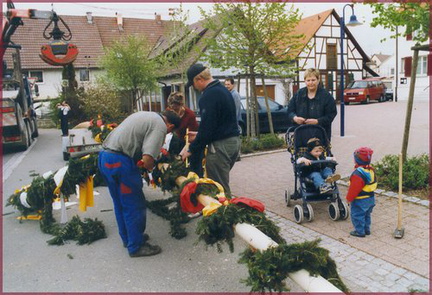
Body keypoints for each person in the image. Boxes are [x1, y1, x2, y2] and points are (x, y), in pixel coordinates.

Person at [98, 110, 180, 257]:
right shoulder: (160, 125)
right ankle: (136, 246)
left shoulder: (146, 115)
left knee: (120, 203)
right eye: (170, 132)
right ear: (170, 125)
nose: (167, 134)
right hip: (120, 162)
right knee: (134, 204)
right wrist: (152, 167)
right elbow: (148, 159)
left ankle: (128, 238)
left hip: (105, 157)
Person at [180, 63, 241, 195]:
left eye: (193, 84)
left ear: (199, 79)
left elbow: (207, 130)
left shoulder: (208, 96)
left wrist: (191, 148)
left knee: (219, 189)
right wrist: (198, 134)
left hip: (221, 146)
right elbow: (217, 123)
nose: (194, 88)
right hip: (233, 142)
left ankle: (224, 213)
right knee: (220, 184)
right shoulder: (223, 90)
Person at [287, 68, 337, 139]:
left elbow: (331, 114)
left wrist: (317, 121)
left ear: (318, 80)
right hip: (301, 136)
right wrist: (294, 118)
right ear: (305, 81)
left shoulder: (326, 96)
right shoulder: (298, 94)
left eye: (313, 80)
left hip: (321, 136)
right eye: (308, 80)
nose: (311, 83)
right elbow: (290, 110)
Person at [166, 91, 203, 175]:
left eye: (175, 109)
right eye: (171, 109)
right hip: (175, 142)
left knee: (193, 166)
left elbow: (192, 138)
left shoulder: (190, 115)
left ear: (181, 106)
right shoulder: (169, 112)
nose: (173, 111)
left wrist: (182, 154)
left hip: (188, 142)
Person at [346, 147, 377, 238]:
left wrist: (349, 199)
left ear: (356, 160)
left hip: (360, 200)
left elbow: (354, 189)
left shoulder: (358, 174)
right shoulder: (370, 170)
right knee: (367, 215)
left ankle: (359, 231)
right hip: (370, 198)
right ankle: (367, 229)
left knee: (357, 215)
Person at [224, 78, 242, 161]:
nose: (227, 86)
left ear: (232, 85)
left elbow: (236, 108)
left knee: (235, 137)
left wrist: (233, 120)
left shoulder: (235, 94)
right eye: (226, 84)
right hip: (231, 120)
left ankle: (237, 155)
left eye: (228, 84)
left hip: (234, 121)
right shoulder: (229, 93)